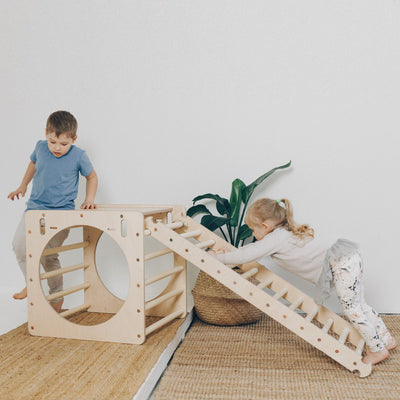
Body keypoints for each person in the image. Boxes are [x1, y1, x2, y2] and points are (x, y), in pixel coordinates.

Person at [210, 198, 396, 365]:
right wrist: (230, 254)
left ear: (265, 225)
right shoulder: (285, 231)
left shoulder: (275, 238)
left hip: (341, 263)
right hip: (348, 256)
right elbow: (254, 248)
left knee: (352, 308)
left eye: (253, 229)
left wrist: (220, 258)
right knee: (359, 303)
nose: (252, 232)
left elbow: (249, 253)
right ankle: (386, 339)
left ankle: (377, 349)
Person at [8, 110, 98, 312]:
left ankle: (56, 298)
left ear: (74, 139)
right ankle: (32, 284)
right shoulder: (40, 148)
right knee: (19, 247)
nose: (57, 148)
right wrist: (22, 186)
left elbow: (92, 177)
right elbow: (33, 164)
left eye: (64, 144)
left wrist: (89, 199)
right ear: (46, 134)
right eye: (52, 142)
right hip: (34, 210)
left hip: (61, 213)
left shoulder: (79, 155)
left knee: (48, 255)